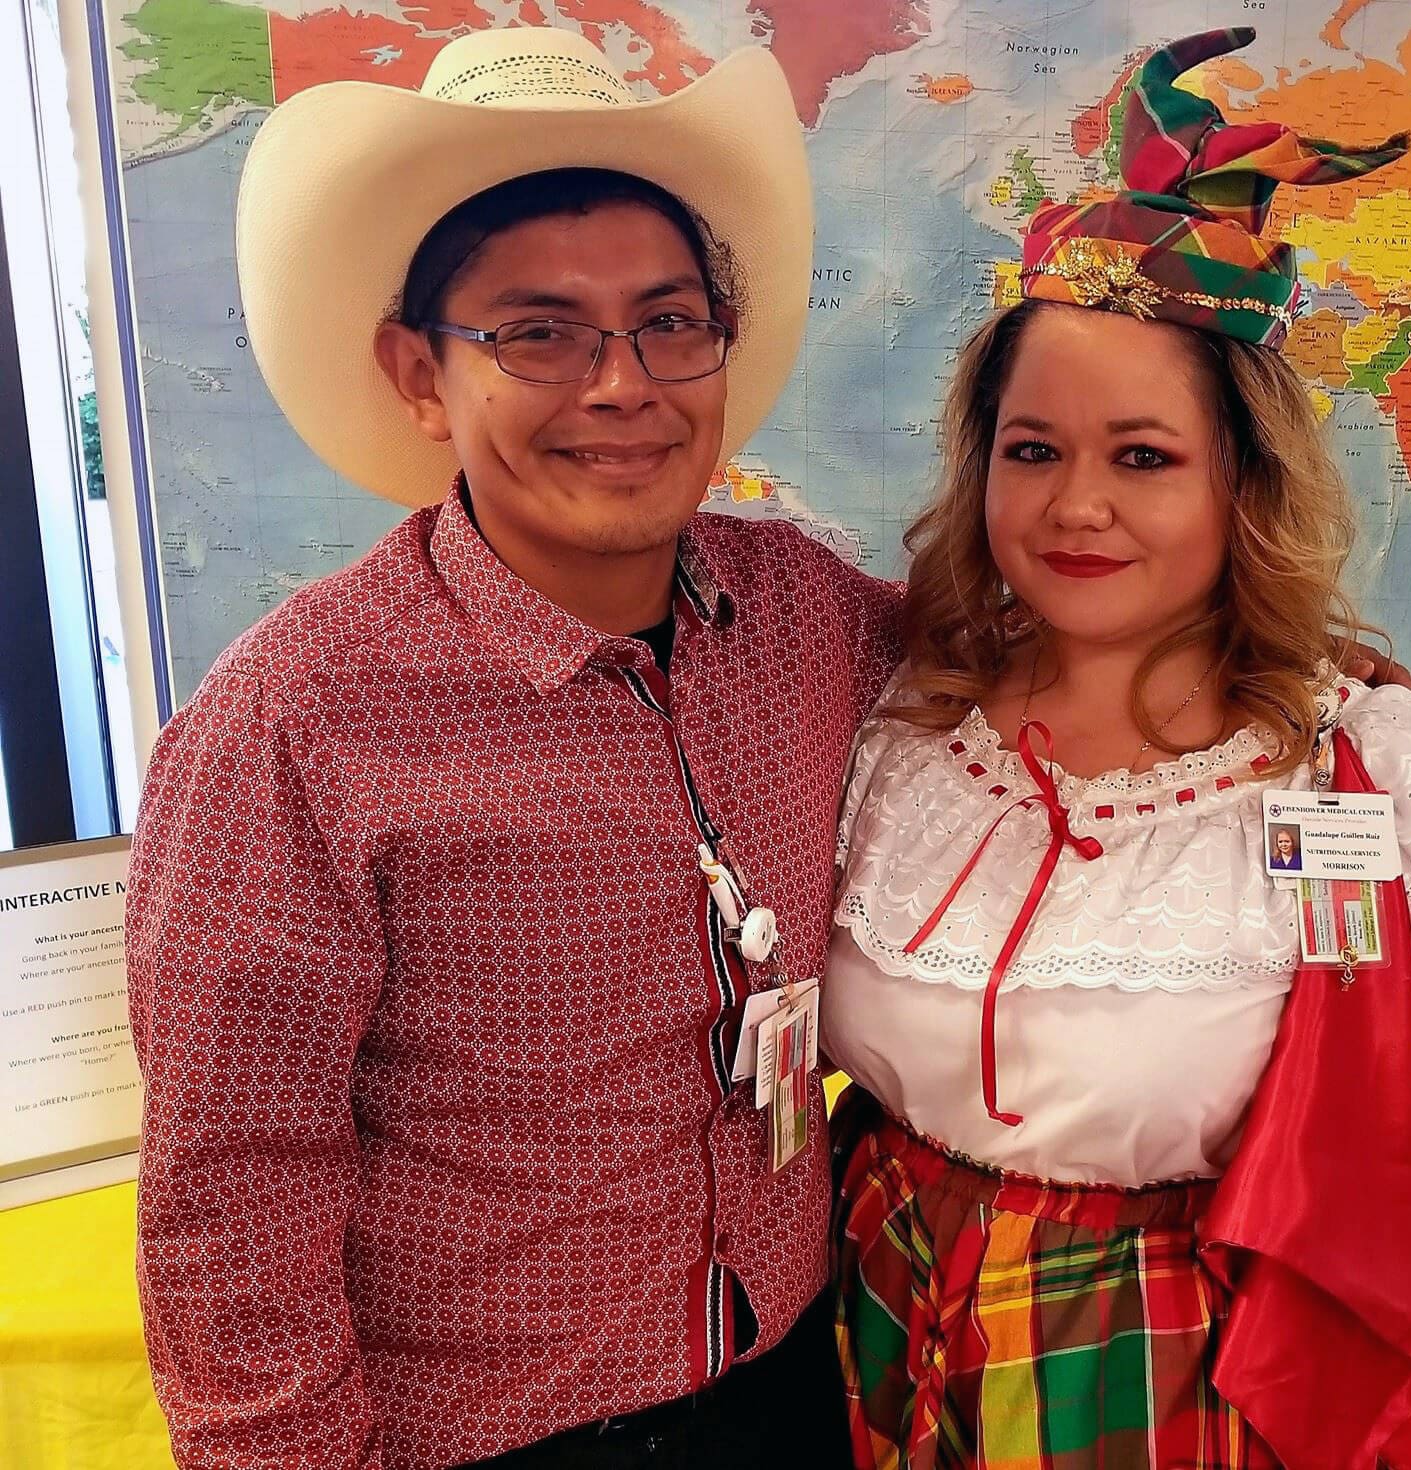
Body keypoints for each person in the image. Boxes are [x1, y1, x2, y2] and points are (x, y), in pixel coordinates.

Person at [822, 30, 1411, 1470]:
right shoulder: (906, 717)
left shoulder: (1365, 766)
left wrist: (1368, 1259)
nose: (1075, 505)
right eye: (1033, 450)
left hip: (1173, 1351)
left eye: (1143, 456)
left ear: (1245, 480)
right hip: (875, 1288)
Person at [124, 29, 898, 1469]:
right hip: (493, 1440)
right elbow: (232, 1200)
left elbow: (1043, 662)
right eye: (540, 333)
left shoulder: (802, 612)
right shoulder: (292, 723)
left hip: (792, 1381)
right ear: (419, 374)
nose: (622, 385)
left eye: (669, 323)